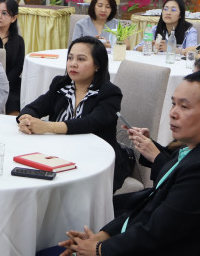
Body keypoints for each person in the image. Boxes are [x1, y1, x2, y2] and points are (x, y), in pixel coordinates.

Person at [25, 71, 200, 256]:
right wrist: (102, 236)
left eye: (184, 107)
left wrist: (99, 249)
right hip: (132, 250)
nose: (173, 113)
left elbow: (158, 232)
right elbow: (148, 204)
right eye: (173, 103)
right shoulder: (195, 149)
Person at [17, 36, 130, 191]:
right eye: (70, 58)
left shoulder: (110, 93)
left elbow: (90, 123)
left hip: (96, 160)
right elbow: (33, 108)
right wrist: (26, 120)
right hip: (58, 155)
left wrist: (48, 127)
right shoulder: (61, 85)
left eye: (81, 59)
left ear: (97, 65)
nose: (73, 63)